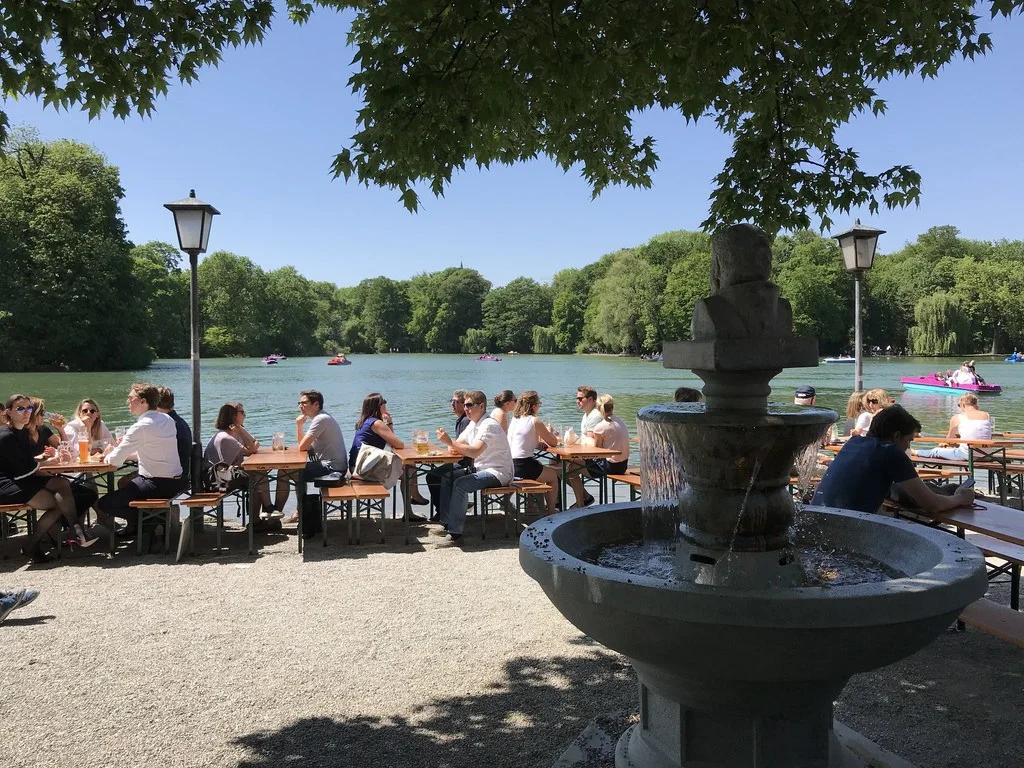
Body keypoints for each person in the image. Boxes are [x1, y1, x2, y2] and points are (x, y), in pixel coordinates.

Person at [812, 404, 975, 515]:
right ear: (896, 436)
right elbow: (932, 505)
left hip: (819, 515)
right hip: (844, 527)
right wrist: (959, 498)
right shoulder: (890, 451)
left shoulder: (853, 442)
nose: (908, 446)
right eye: (909, 440)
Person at [0, 395, 96, 562]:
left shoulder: (22, 431)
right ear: (8, 412)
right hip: (7, 484)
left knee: (62, 483)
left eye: (29, 408)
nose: (26, 412)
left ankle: (76, 529)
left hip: (22, 478)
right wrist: (46, 462)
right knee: (61, 504)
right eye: (20, 409)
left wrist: (44, 461)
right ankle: (33, 545)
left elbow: (27, 463)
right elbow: (23, 470)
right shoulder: (6, 436)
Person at [96, 383, 184, 536]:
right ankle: (147, 524)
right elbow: (152, 449)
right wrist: (124, 451)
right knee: (125, 484)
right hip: (176, 481)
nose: (128, 402)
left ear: (143, 401)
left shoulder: (140, 427)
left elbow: (114, 461)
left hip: (156, 483)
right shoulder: (167, 419)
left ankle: (152, 522)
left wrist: (109, 453)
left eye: (131, 398)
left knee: (105, 503)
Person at [432, 390, 513, 544]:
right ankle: (447, 523)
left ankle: (455, 535)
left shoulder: (489, 425)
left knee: (461, 484)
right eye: (465, 405)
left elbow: (475, 451)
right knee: (447, 477)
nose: (466, 409)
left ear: (481, 406)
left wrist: (450, 442)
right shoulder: (473, 424)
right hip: (481, 469)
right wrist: (452, 444)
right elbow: (457, 444)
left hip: (498, 472)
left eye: (469, 405)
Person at [348, 392, 429, 517]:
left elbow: (391, 443)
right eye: (384, 402)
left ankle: (413, 503)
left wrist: (389, 423)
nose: (386, 404)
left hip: (357, 466)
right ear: (378, 406)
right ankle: (413, 502)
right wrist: (417, 447)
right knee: (409, 470)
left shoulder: (364, 422)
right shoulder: (377, 423)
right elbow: (398, 444)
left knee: (409, 467)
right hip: (364, 470)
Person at [278, 390, 347, 522]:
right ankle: (300, 510)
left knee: (284, 472)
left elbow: (302, 447)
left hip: (333, 470)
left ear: (316, 404)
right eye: (299, 403)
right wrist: (299, 426)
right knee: (297, 471)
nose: (300, 406)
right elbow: (305, 446)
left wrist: (300, 430)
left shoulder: (321, 419)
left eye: (304, 403)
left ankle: (276, 515)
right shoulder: (320, 418)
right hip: (334, 466)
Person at [204, 403, 276, 519]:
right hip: (217, 481)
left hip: (227, 474)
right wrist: (242, 431)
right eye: (242, 412)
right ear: (233, 416)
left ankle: (259, 518)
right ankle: (264, 511)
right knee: (258, 477)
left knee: (258, 474)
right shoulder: (226, 437)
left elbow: (255, 442)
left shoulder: (234, 432)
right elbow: (252, 449)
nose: (245, 415)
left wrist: (241, 430)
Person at [507, 391, 560, 514]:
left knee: (540, 470)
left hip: (510, 464)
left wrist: (536, 443)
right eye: (539, 404)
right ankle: (551, 511)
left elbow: (522, 441)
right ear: (534, 406)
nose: (539, 407)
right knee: (553, 476)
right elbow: (553, 442)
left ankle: (532, 506)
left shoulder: (515, 419)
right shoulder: (534, 420)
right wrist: (550, 431)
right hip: (523, 465)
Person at [426, 389, 472, 518]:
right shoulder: (461, 420)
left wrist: (451, 445)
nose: (452, 404)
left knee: (433, 476)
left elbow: (463, 448)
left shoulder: (465, 421)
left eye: (455, 401)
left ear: (464, 404)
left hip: (467, 464)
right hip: (461, 460)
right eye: (451, 401)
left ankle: (443, 512)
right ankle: (444, 509)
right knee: (433, 475)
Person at [913, 394, 992, 462]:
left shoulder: (958, 417)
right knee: (951, 448)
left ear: (963, 405)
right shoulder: (986, 415)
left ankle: (914, 452)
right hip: (987, 455)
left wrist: (944, 444)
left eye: (959, 405)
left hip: (967, 455)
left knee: (936, 451)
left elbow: (950, 439)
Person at [157, 387, 193, 490]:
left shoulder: (166, 424)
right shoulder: (179, 421)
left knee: (125, 482)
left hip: (172, 479)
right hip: (183, 475)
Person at [585, 394, 630, 477]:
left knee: (576, 464)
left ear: (598, 409)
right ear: (612, 407)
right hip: (623, 466)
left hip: (609, 467)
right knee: (576, 466)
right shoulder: (620, 421)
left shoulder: (600, 427)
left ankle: (575, 483)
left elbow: (596, 452)